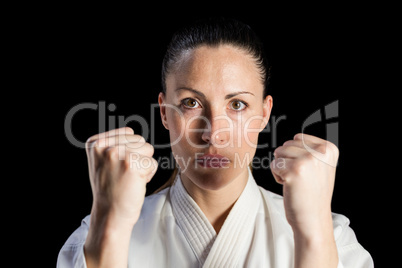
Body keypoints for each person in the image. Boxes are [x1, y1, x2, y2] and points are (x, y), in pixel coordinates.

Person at [57, 18, 373, 267]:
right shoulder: (95, 238)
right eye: (191, 103)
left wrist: (313, 233)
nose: (212, 134)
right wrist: (109, 225)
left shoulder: (333, 240)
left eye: (237, 105)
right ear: (165, 112)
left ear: (265, 114)